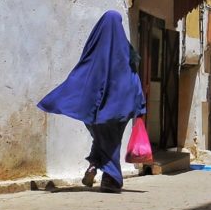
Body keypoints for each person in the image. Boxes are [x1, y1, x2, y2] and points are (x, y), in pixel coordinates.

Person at [37, 10, 146, 193]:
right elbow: (134, 79)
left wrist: (62, 97)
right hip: (120, 108)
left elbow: (81, 74)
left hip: (95, 107)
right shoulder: (126, 52)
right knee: (112, 142)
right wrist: (140, 105)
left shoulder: (94, 49)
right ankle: (111, 179)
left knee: (101, 137)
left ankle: (94, 165)